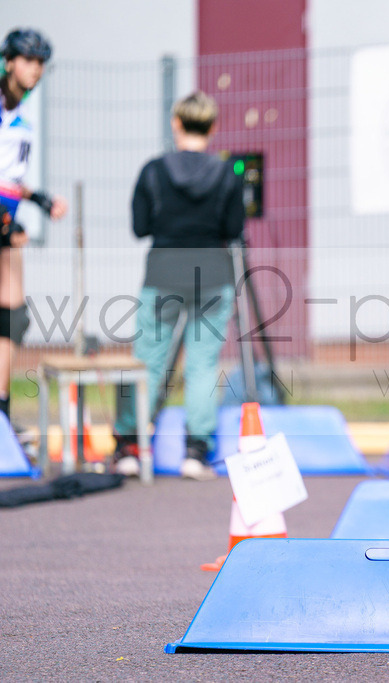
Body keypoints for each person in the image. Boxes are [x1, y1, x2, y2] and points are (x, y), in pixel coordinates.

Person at [112, 91, 243, 480]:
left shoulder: (153, 171)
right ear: (213, 127)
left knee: (147, 360)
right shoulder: (227, 174)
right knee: (203, 364)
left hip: (164, 272)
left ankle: (130, 448)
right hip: (213, 275)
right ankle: (196, 453)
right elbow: (233, 229)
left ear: (176, 123)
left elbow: (139, 227)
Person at [0, 28, 68, 422]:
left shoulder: (19, 115)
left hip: (8, 219)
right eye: (28, 60)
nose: (35, 69)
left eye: (41, 62)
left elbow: (9, 178)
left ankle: (3, 412)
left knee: (12, 318)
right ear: (9, 61)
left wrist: (39, 199)